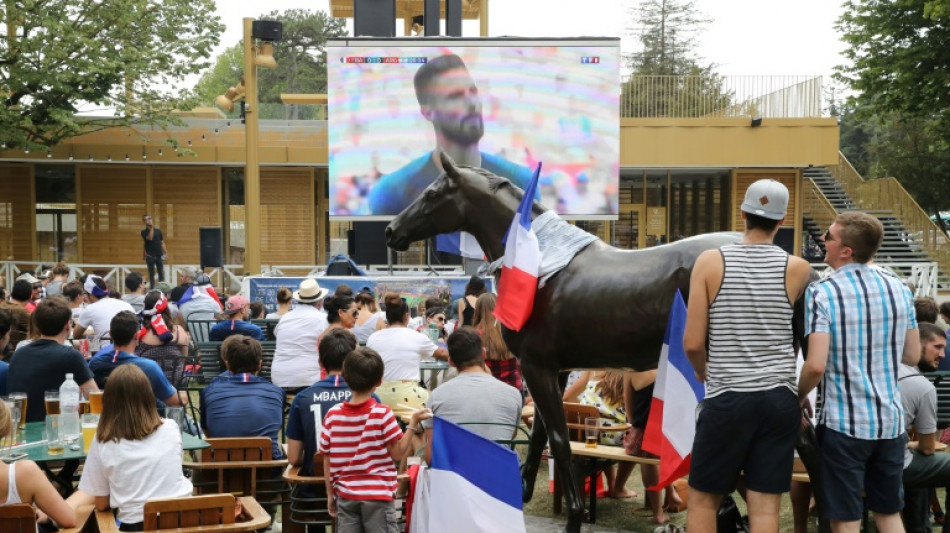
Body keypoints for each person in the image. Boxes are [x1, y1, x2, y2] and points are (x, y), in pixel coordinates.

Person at [684, 179, 813, 533]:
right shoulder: (799, 268)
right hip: (779, 400)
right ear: (782, 220)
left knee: (702, 499)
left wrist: (702, 372)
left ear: (742, 214)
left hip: (728, 397)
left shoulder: (710, 261)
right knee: (766, 506)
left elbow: (693, 343)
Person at [799, 211, 920, 533]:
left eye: (828, 236)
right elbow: (912, 354)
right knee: (889, 511)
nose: (822, 240)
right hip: (891, 421)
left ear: (846, 250)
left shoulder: (822, 292)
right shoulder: (899, 288)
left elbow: (815, 365)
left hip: (844, 423)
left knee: (845, 517)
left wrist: (797, 395)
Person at [367, 53, 536, 215]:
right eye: (456, 96)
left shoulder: (521, 182)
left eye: (473, 92)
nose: (472, 104)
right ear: (428, 112)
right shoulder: (393, 193)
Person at [318, 347, 431, 529]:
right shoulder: (382, 413)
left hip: (346, 496)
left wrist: (330, 493)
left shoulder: (332, 415)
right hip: (379, 497)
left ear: (345, 377)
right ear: (379, 382)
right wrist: (413, 423)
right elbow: (397, 453)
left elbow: (327, 458)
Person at [78, 364, 193, 529]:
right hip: (186, 521)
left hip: (138, 524)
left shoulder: (103, 440)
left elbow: (102, 504)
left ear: (108, 400)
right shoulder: (171, 427)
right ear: (149, 396)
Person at [420, 327, 523, 463]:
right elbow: (510, 435)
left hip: (454, 476)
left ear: (450, 361)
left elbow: (431, 457)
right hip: (499, 475)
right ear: (484, 354)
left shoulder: (437, 396)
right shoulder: (513, 395)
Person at [287, 328, 366, 476]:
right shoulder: (369, 397)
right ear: (354, 360)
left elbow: (293, 457)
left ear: (320, 362)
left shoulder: (302, 399)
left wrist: (315, 460)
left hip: (312, 491)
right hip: (358, 491)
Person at [8, 296, 98, 422]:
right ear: (68, 326)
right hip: (56, 432)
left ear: (37, 325)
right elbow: (94, 397)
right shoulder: (70, 356)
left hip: (22, 433)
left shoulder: (19, 354)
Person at [899, 323, 950, 533]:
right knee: (924, 461)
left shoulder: (884, 369)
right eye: (937, 347)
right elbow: (928, 448)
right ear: (916, 344)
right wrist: (914, 444)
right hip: (889, 463)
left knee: (920, 464)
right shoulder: (922, 386)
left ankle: (919, 528)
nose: (943, 354)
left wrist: (909, 443)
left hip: (854, 457)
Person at [201, 335, 285, 459]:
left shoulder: (209, 392)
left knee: (200, 451)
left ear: (228, 365)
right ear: (259, 364)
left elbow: (208, 433)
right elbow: (276, 427)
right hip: (267, 471)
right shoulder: (277, 392)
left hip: (220, 470)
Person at [0, 401, 77, 528]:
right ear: (5, 428)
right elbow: (70, 520)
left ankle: (61, 482)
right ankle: (61, 483)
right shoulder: (24, 473)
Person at [366, 294, 448, 410]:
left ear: (387, 317)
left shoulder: (373, 338)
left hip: (378, 396)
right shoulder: (417, 337)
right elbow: (442, 353)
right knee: (438, 402)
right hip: (409, 395)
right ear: (406, 316)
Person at [87, 311, 186, 408]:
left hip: (107, 419)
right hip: (144, 422)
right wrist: (183, 395)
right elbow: (175, 402)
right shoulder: (149, 368)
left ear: (110, 334)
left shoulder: (95, 364)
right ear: (136, 336)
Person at [272, 278, 329, 392]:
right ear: (319, 302)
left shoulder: (285, 318)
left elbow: (277, 334)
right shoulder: (322, 319)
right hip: (310, 380)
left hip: (279, 378)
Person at [134, 291, 190, 387]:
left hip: (147, 386)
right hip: (175, 384)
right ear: (166, 308)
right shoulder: (179, 331)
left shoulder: (139, 334)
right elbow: (183, 359)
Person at [471, 292, 522, 392]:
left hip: (487, 391)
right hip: (514, 388)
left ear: (478, 310)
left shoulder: (474, 335)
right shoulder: (511, 329)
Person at [73, 275, 134, 352]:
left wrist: (94, 334)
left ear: (91, 295)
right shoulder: (126, 304)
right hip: (131, 350)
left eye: (85, 294)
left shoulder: (90, 309)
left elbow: (76, 334)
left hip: (106, 352)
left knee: (78, 344)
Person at [0, 279, 32, 349]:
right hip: (13, 351)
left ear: (11, 293)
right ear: (30, 297)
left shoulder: (2, 305)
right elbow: (35, 331)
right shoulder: (22, 311)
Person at [141, 214, 167, 287]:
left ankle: (162, 289)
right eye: (147, 219)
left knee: (161, 273)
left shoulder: (158, 231)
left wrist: (166, 253)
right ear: (144, 222)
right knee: (151, 274)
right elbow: (150, 238)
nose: (149, 220)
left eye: (150, 218)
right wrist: (151, 228)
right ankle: (152, 290)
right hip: (150, 256)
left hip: (159, 255)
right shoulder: (144, 232)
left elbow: (162, 242)